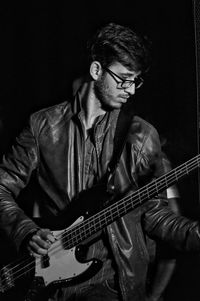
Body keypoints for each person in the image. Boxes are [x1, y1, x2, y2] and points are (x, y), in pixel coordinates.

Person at [0, 22, 200, 301]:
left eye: (136, 80)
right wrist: (24, 230)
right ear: (96, 70)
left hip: (113, 280)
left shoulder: (141, 136)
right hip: (49, 281)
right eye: (124, 79)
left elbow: (156, 217)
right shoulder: (42, 126)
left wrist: (195, 233)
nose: (131, 89)